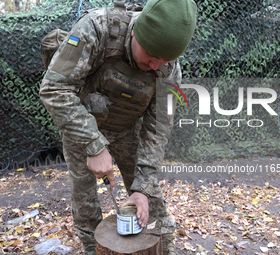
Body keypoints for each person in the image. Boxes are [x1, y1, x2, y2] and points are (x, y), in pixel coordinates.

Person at [39, 0, 197, 254]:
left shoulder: (168, 68)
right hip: (82, 127)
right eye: (152, 55)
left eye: (165, 59)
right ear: (136, 33)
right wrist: (94, 145)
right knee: (86, 206)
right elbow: (54, 89)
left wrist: (142, 188)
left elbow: (158, 128)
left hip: (126, 130)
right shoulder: (96, 28)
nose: (157, 65)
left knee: (151, 205)